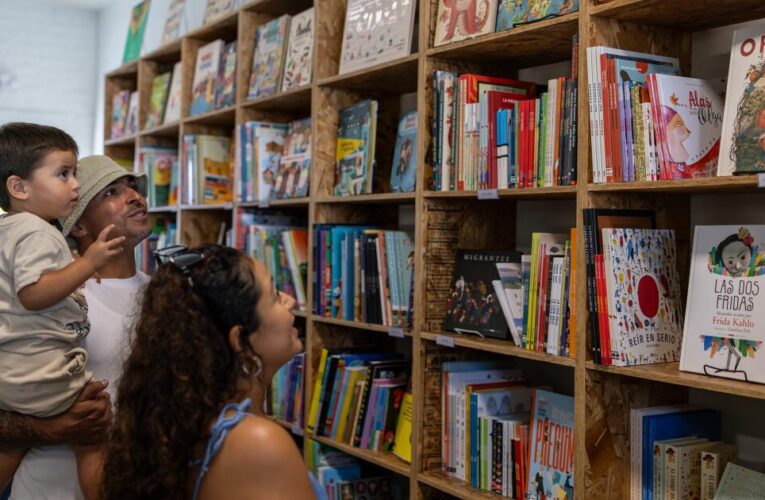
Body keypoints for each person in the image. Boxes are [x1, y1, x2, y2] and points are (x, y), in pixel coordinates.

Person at [102, 244, 323, 500]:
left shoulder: (186, 422)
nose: (291, 301)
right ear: (240, 339)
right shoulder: (257, 443)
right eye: (274, 296)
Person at [0, 153, 151, 500]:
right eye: (112, 192)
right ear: (79, 225)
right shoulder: (54, 300)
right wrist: (49, 429)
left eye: (132, 186)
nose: (134, 196)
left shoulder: (165, 295)